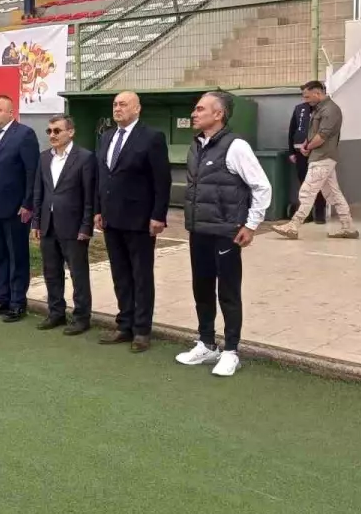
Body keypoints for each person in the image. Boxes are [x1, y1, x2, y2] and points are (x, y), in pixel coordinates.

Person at [175, 92, 272, 377]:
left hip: (226, 233)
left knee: (228, 292)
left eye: (200, 109)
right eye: (195, 109)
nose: (194, 113)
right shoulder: (196, 145)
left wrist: (251, 225)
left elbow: (262, 187)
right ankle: (206, 343)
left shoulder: (236, 146)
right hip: (199, 230)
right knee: (202, 288)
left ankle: (231, 350)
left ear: (219, 115)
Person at [94, 92, 172, 352]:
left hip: (140, 220)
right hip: (111, 218)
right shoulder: (106, 137)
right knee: (120, 275)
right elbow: (103, 176)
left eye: (123, 104)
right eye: (115, 104)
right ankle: (124, 324)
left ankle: (141, 330)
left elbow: (162, 180)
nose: (118, 108)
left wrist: (158, 215)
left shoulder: (151, 137)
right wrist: (98, 209)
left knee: (141, 275)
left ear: (137, 109)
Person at [0, 94, 39, 323]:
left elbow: (32, 172)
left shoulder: (24, 135)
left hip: (15, 208)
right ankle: (1, 297)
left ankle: (17, 302)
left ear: (10, 112)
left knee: (17, 256)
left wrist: (27, 203)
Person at [33, 115, 96, 336]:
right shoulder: (43, 158)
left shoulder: (85, 158)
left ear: (71, 132)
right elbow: (39, 192)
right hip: (48, 225)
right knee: (51, 272)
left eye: (57, 131)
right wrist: (36, 222)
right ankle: (56, 312)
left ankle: (81, 317)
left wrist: (86, 226)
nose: (52, 135)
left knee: (78, 274)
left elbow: (90, 196)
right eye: (49, 131)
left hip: (73, 226)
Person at [273, 81, 359, 240]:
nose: (305, 100)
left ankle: (293, 225)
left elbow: (322, 136)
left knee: (307, 191)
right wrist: (307, 144)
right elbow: (313, 132)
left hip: (322, 157)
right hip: (321, 157)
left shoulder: (330, 110)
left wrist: (308, 147)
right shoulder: (320, 108)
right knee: (333, 194)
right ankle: (348, 227)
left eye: (307, 96)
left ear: (318, 93)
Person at [287, 95, 326, 224]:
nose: (305, 98)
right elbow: (292, 129)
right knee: (304, 183)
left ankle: (320, 212)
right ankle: (306, 213)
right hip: (299, 152)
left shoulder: (322, 109)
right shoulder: (299, 109)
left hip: (317, 152)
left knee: (317, 182)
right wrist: (292, 151)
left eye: (308, 94)